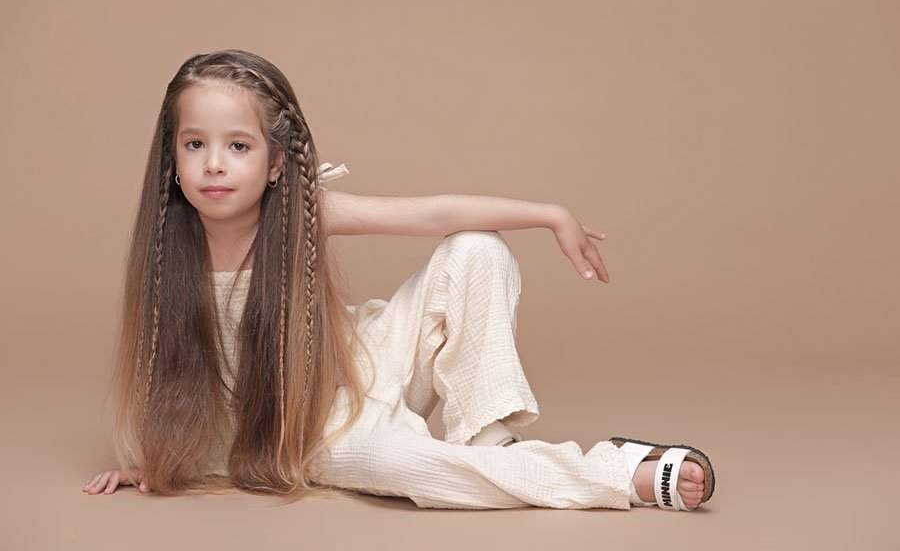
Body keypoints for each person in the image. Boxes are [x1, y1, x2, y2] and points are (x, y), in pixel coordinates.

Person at [82, 49, 715, 511]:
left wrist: (550, 214)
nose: (214, 165)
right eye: (194, 144)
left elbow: (434, 214)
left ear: (276, 163)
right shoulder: (167, 249)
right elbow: (163, 375)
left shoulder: (301, 213)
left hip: (360, 359)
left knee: (477, 248)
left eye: (238, 146)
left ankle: (488, 440)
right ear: (172, 157)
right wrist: (152, 459)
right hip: (309, 428)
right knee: (406, 467)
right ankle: (613, 472)